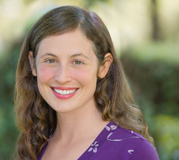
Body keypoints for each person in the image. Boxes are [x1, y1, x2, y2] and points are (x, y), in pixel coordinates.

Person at [14, 6, 159, 160]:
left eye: (77, 61)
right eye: (50, 60)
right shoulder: (34, 145)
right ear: (33, 64)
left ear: (103, 67)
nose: (62, 77)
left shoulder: (134, 151)